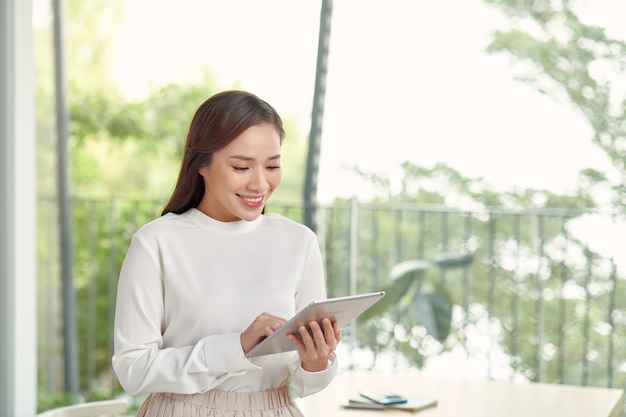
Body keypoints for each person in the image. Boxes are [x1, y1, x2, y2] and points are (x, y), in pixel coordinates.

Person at [112, 90, 341, 417]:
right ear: (201, 164)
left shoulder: (299, 242)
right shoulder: (156, 242)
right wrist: (235, 347)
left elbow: (305, 383)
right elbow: (131, 368)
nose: (260, 184)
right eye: (241, 167)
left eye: (272, 165)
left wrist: (317, 362)